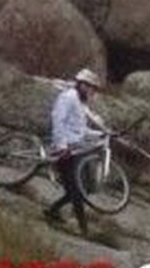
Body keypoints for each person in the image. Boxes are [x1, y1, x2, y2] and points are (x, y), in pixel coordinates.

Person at [43, 66, 108, 235]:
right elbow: (58, 120)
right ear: (83, 85)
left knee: (78, 190)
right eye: (91, 88)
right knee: (77, 190)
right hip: (64, 150)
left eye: (94, 89)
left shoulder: (80, 104)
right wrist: (62, 146)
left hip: (74, 150)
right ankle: (83, 229)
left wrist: (101, 133)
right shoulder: (68, 97)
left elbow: (82, 131)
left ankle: (52, 211)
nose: (92, 92)